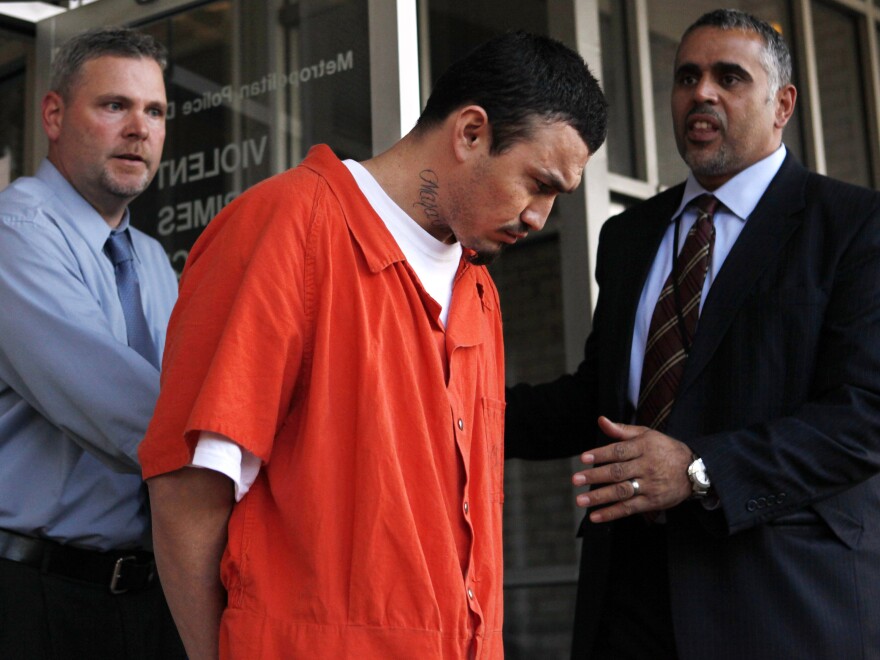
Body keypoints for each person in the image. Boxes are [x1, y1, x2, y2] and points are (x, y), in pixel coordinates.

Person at [139, 30, 608, 660]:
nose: (539, 216)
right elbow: (188, 490)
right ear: (471, 132)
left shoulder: (479, 291)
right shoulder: (286, 226)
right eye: (537, 183)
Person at [506, 9, 880, 660]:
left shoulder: (852, 226)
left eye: (728, 76)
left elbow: (864, 416)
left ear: (783, 103)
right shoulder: (628, 237)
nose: (701, 92)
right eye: (687, 76)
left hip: (778, 602)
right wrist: (456, 410)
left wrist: (702, 470)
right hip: (626, 601)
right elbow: (596, 400)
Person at [0, 27, 185, 659]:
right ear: (53, 115)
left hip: (142, 598)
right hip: (33, 593)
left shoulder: (155, 261)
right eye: (115, 106)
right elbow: (130, 414)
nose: (140, 129)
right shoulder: (14, 235)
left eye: (155, 111)